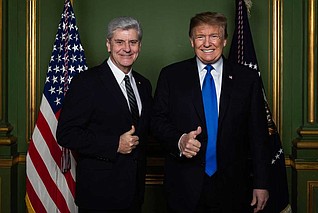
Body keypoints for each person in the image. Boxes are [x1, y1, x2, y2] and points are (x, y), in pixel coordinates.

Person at [151, 12, 270, 213]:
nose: (207, 43)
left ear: (224, 40)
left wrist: (261, 183)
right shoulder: (171, 76)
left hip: (233, 186)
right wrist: (179, 140)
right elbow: (156, 121)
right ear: (191, 41)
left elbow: (258, 134)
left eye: (214, 36)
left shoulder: (246, 79)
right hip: (184, 184)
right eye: (200, 37)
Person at [57, 16, 153, 213]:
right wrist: (115, 144)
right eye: (119, 42)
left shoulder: (143, 85)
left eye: (132, 42)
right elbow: (66, 133)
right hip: (99, 196)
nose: (126, 48)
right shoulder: (86, 82)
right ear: (108, 44)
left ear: (139, 46)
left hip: (134, 194)